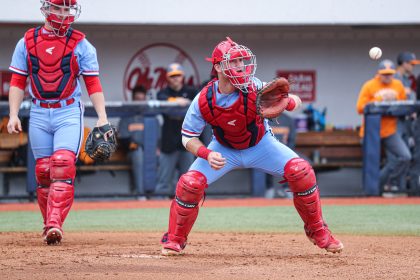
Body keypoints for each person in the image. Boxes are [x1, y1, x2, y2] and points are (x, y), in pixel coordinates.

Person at [159, 37, 344, 255]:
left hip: (261, 145)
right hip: (223, 148)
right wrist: (206, 153)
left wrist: (290, 101)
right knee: (190, 184)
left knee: (301, 171)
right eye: (234, 61)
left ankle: (318, 231)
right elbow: (187, 137)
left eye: (241, 61)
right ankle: (175, 239)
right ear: (218, 66)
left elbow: (294, 100)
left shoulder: (254, 85)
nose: (240, 66)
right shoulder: (204, 98)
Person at [7, 0, 111, 245]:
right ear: (46, 9)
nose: (64, 14)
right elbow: (17, 81)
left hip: (68, 111)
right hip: (39, 111)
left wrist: (102, 117)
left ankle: (55, 223)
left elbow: (93, 84)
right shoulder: (27, 41)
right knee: (43, 171)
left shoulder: (81, 44)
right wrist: (13, 114)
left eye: (67, 9)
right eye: (59, 8)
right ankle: (48, 225)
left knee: (62, 164)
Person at [356, 59, 411, 193]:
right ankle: (369, 192)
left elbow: (404, 106)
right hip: (371, 132)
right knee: (370, 165)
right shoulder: (369, 85)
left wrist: (393, 102)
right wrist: (380, 100)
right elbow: (359, 108)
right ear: (378, 73)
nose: (387, 76)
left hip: (390, 131)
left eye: (390, 74)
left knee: (405, 156)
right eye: (384, 73)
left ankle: (384, 181)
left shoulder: (398, 85)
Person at [154, 63, 197, 197]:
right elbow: (162, 100)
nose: (175, 78)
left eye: (178, 75)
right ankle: (159, 205)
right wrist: (176, 101)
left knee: (188, 177)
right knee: (164, 179)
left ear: (182, 76)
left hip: (188, 139)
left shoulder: (191, 91)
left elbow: (199, 102)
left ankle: (186, 203)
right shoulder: (163, 92)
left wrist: (181, 104)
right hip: (169, 138)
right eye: (172, 76)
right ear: (168, 78)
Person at [118, 85, 152, 197]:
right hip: (133, 151)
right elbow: (123, 138)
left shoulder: (150, 115)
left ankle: (158, 194)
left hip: (150, 150)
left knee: (163, 156)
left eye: (142, 100)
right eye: (137, 100)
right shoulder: (126, 117)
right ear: (133, 100)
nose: (140, 103)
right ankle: (140, 193)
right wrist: (133, 145)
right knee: (138, 154)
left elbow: (156, 135)